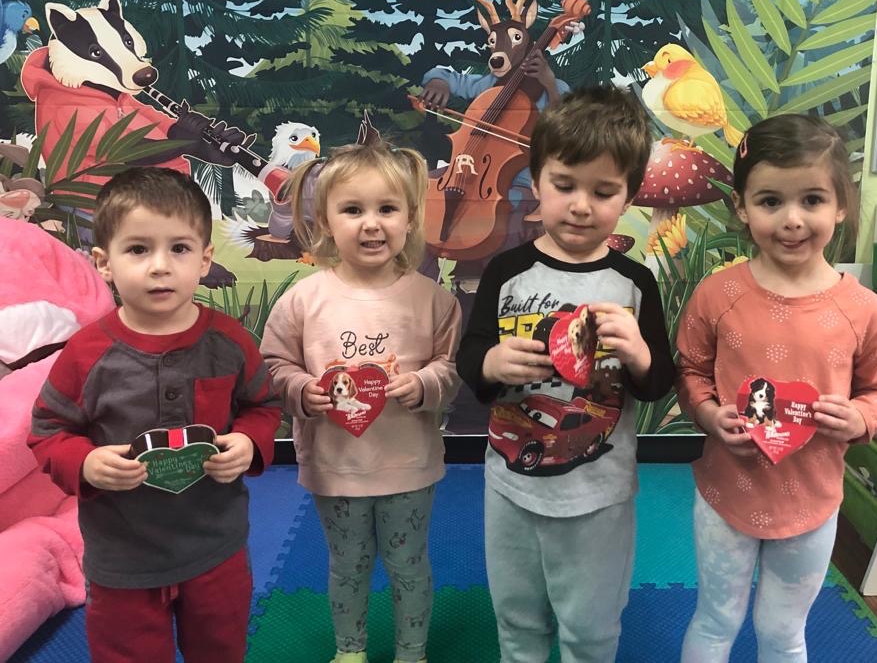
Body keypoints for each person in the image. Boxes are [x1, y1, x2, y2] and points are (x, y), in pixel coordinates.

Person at [455, 84, 675, 663]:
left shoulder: (635, 283)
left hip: (599, 495)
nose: (581, 206)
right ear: (537, 181)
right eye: (565, 185)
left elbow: (658, 382)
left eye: (603, 192)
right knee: (518, 622)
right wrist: (491, 363)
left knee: (591, 630)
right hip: (511, 487)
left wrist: (640, 355)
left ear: (628, 196)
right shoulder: (505, 271)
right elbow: (469, 356)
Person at [28, 167, 282, 663]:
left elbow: (263, 405)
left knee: (221, 652)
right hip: (122, 557)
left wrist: (249, 441)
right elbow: (48, 431)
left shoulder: (229, 342)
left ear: (205, 259)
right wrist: (84, 462)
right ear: (104, 262)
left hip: (216, 549)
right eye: (139, 249)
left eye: (179, 248)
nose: (160, 267)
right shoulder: (86, 354)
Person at [676, 114, 877, 663]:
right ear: (741, 206)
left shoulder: (864, 311)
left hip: (812, 502)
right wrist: (708, 416)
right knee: (716, 620)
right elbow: (691, 372)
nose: (792, 220)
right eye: (770, 201)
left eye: (812, 200)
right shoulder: (717, 294)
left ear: (841, 205)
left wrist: (860, 417)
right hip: (727, 495)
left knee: (783, 632)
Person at [260, 140, 462, 663]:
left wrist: (426, 384)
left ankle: (411, 652)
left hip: (409, 465)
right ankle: (350, 650)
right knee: (347, 565)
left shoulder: (434, 299)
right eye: (352, 210)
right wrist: (302, 390)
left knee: (408, 565)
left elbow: (452, 366)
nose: (371, 224)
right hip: (335, 465)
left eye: (387, 209)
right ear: (325, 221)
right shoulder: (302, 301)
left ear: (410, 218)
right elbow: (273, 365)